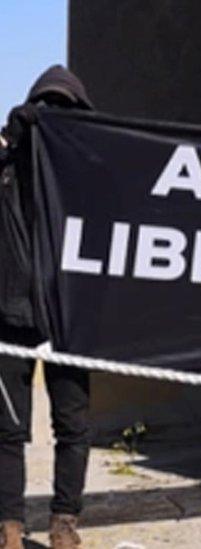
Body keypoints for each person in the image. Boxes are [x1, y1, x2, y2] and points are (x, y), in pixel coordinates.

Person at [0, 65, 94, 549]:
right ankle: (10, 527)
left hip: (68, 317)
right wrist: (10, 141)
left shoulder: (88, 174)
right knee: (8, 430)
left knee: (73, 426)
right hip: (9, 315)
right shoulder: (6, 168)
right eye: (46, 109)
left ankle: (63, 523)